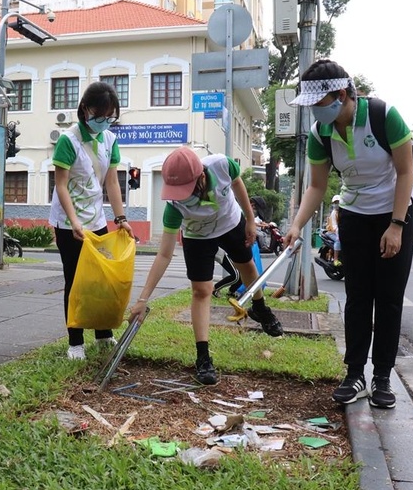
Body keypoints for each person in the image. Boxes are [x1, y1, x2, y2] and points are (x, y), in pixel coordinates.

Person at [282, 59, 413, 409]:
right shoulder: (320, 133)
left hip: (394, 212)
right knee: (357, 297)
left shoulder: (383, 116)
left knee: (388, 298)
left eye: (318, 102)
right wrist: (296, 224)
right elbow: (316, 186)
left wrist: (397, 225)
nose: (314, 111)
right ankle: (354, 373)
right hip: (354, 215)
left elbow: (406, 172)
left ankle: (382, 377)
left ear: (341, 94)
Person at [130, 146, 284, 386]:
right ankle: (203, 357)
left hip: (230, 222)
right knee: (201, 291)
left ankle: (260, 308)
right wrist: (142, 299)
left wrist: (250, 220)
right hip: (197, 236)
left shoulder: (221, 165)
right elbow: (164, 254)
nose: (182, 196)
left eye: (186, 189)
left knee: (247, 266)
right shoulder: (174, 206)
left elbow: (237, 183)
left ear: (201, 176)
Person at [49, 81, 133, 361]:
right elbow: (61, 185)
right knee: (75, 281)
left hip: (97, 221)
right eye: (100, 115)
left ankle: (103, 334)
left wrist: (120, 218)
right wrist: (74, 222)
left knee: (100, 280)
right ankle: (75, 342)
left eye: (110, 116)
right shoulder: (68, 140)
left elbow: (112, 181)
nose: (105, 121)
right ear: (85, 109)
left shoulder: (110, 140)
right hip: (68, 223)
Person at [325, 195, 342, 265]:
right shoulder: (334, 213)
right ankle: (335, 260)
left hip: (340, 231)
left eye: (338, 202)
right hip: (331, 232)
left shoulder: (342, 212)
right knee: (338, 240)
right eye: (335, 203)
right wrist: (339, 232)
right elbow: (334, 226)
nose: (336, 204)